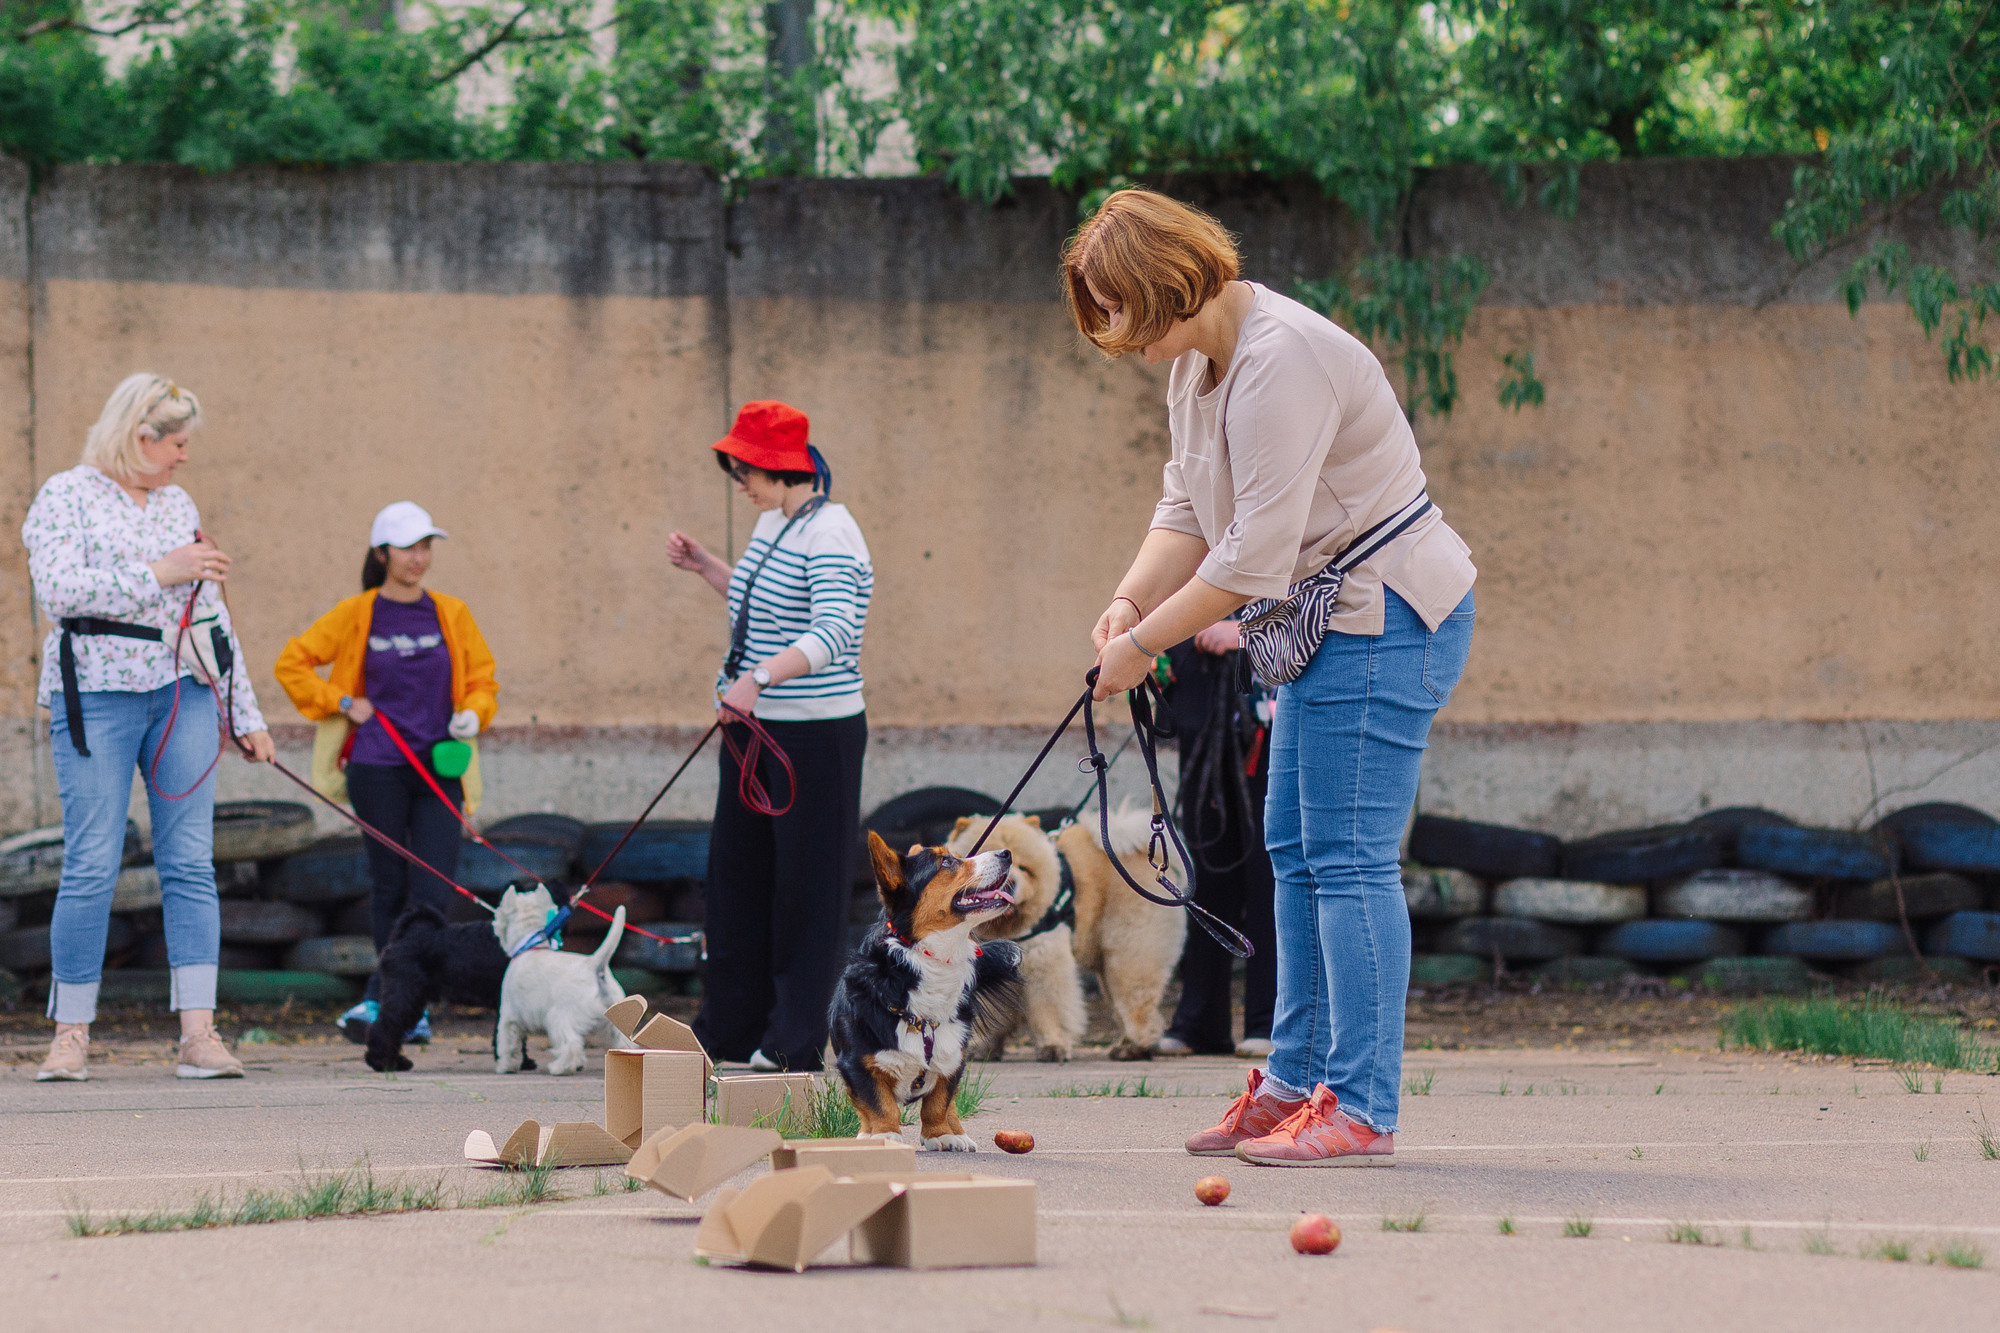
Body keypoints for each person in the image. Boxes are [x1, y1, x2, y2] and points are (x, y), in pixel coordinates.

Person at [1064, 189, 1476, 1166]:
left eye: (1115, 310)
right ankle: (1292, 1082)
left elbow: (1252, 557)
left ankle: (1362, 1107)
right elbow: (1185, 507)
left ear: (1161, 281)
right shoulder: (1198, 366)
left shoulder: (1275, 360)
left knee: (1346, 861)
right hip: (1325, 622)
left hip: (1386, 616)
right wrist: (1126, 604)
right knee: (1293, 850)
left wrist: (1140, 652)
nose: (1112, 336)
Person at [22, 373, 277, 1082]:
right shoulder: (64, 495)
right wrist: (160, 570)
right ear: (140, 435)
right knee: (93, 859)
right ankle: (70, 1034)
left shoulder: (177, 502)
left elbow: (210, 615)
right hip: (96, 692)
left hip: (184, 693)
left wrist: (244, 714)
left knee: (191, 860)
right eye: (178, 443)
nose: (185, 457)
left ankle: (200, 1033)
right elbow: (59, 590)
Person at [667, 401, 872, 1073]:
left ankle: (794, 1039)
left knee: (807, 893)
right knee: (738, 881)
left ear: (781, 468)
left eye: (745, 469)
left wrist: (756, 678)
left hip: (815, 739)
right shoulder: (773, 521)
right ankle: (729, 1028)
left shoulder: (833, 532)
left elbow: (834, 630)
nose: (740, 483)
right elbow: (763, 603)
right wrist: (708, 568)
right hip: (754, 730)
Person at [275, 502, 497, 1044]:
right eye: (408, 548)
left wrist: (475, 711)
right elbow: (292, 663)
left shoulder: (451, 613)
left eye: (426, 547)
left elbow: (484, 680)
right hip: (375, 766)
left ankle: (396, 1000)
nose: (419, 558)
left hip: (440, 769)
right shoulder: (357, 613)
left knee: (433, 886)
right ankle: (394, 1003)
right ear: (382, 554)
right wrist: (341, 700)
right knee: (389, 886)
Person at [1156, 617, 1278, 1059]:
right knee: (1206, 871)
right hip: (1205, 708)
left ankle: (1271, 1018)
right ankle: (1200, 1020)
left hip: (1269, 722)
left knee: (1270, 875)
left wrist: (1248, 633)